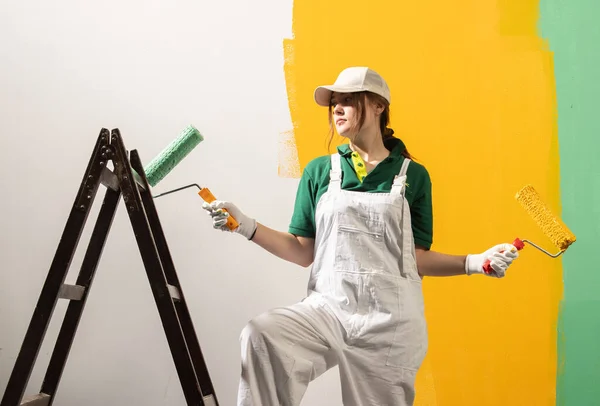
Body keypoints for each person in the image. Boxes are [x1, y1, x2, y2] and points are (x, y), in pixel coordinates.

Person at [202, 66, 519, 406]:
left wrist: (475, 261)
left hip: (390, 323)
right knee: (262, 335)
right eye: (334, 102)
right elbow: (301, 251)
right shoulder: (319, 171)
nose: (336, 108)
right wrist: (246, 224)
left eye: (347, 100)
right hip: (328, 310)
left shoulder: (414, 176)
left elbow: (416, 259)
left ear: (379, 105)